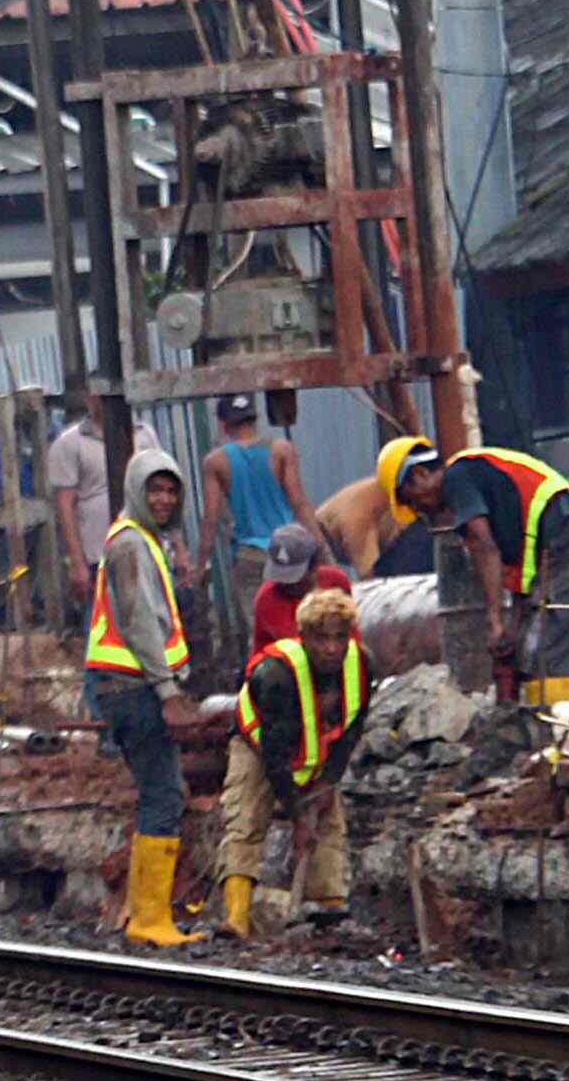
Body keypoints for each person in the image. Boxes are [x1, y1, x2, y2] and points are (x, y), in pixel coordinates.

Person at [383, 433, 569, 705]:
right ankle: (568, 721)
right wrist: (512, 627)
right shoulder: (492, 490)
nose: (418, 508)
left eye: (410, 499)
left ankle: (546, 731)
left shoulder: (458, 477)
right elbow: (523, 570)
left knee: (544, 653)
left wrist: (493, 620)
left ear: (420, 474)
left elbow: (484, 546)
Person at [84, 445, 205, 948]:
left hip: (123, 686)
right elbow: (137, 623)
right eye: (154, 489)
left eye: (170, 491)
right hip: (134, 688)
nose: (162, 498)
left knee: (161, 792)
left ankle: (145, 911)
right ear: (135, 490)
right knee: (162, 795)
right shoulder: (132, 545)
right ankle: (150, 918)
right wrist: (167, 691)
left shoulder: (142, 541)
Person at [220, 587, 369, 938]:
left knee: (329, 819)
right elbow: (275, 756)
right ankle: (236, 916)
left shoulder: (362, 665)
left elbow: (352, 729)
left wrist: (328, 781)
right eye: (321, 639)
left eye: (339, 638)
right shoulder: (277, 676)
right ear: (303, 638)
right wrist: (297, 812)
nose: (332, 648)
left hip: (316, 743)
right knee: (246, 815)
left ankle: (330, 909)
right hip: (258, 743)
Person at [199, 391, 326, 664]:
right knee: (306, 621)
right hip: (293, 554)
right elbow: (299, 501)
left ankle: (262, 688)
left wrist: (199, 568)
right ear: (255, 419)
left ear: (223, 425)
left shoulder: (216, 462)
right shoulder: (281, 450)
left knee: (260, 631)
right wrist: (322, 550)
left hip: (250, 557)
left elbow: (210, 519)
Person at [46, 381, 162, 615]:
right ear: (89, 397)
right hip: (99, 554)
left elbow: (162, 490)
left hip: (146, 546)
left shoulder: (143, 434)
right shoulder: (69, 443)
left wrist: (176, 546)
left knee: (151, 619)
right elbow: (65, 506)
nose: (103, 400)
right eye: (97, 394)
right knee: (103, 625)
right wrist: (77, 563)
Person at [248, 521, 353, 656]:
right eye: (280, 575)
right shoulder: (268, 597)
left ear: (314, 566)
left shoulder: (336, 582)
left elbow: (351, 633)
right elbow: (303, 646)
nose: (286, 584)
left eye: (293, 577)